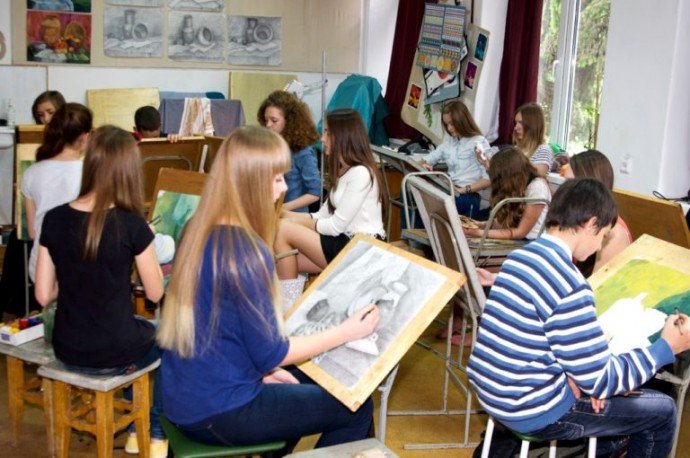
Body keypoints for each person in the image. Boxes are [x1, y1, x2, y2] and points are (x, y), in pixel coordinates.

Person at [157, 126, 380, 452]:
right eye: (276, 179)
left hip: (184, 397)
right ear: (250, 182)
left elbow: (225, 329)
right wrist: (346, 331)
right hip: (219, 412)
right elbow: (273, 352)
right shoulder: (247, 251)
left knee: (304, 384)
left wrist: (264, 373)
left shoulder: (198, 228)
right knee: (356, 406)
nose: (284, 187)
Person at [468, 178, 690, 457]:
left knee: (606, 400)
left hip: (492, 392)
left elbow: (541, 343)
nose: (598, 247)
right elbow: (602, 380)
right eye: (603, 236)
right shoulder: (569, 282)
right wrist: (666, 347)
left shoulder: (519, 258)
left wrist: (581, 378)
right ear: (590, 224)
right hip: (529, 408)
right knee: (663, 411)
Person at [34, 125, 167, 458]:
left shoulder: (53, 219)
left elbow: (43, 295)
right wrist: (147, 245)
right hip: (114, 351)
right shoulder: (132, 225)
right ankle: (152, 433)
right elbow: (154, 294)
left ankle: (136, 428)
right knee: (173, 339)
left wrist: (76, 275)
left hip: (68, 348)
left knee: (137, 330)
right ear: (128, 171)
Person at [275, 108, 386, 280]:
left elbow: (335, 227)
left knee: (282, 229)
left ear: (343, 136)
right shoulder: (344, 170)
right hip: (345, 242)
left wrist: (290, 221)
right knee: (280, 260)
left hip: (362, 248)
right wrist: (282, 213)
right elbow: (321, 215)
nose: (322, 138)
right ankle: (290, 297)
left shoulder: (361, 173)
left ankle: (290, 298)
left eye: (327, 132)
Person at [21, 102, 92, 282]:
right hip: (82, 267)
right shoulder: (92, 172)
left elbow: (32, 232)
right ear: (85, 137)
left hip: (41, 268)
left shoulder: (31, 173)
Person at [563, 149, 632, 277]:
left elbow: (596, 286)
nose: (564, 191)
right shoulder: (579, 216)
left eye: (570, 184)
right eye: (565, 183)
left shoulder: (614, 233)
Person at [418, 100, 490, 219]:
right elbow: (425, 160)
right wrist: (423, 165)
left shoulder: (479, 142)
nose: (449, 128)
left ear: (462, 121)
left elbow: (488, 180)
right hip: (451, 191)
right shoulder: (449, 142)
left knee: (426, 199)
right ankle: (413, 231)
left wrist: (461, 190)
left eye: (452, 123)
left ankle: (425, 229)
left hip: (468, 197)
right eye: (447, 124)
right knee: (412, 194)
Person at [463, 146, 550, 241]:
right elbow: (504, 223)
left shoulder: (537, 187)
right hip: (516, 238)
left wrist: (478, 233)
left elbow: (520, 232)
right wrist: (479, 225)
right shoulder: (517, 186)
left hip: (530, 241)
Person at [258, 90, 321, 213]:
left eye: (274, 120)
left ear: (289, 122)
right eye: (266, 120)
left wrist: (282, 209)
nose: (268, 125)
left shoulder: (303, 152)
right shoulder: (269, 147)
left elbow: (315, 193)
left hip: (292, 215)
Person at [477, 103, 553, 176]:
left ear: (533, 125)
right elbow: (506, 177)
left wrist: (492, 167)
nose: (516, 128)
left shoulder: (543, 150)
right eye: (516, 123)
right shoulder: (516, 149)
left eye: (521, 123)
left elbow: (533, 177)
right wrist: (487, 164)